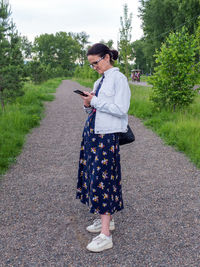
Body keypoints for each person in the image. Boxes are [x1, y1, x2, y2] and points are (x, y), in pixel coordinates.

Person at [76, 43, 131, 252]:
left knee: (103, 179)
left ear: (107, 57)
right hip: (92, 135)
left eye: (95, 63)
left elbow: (121, 108)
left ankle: (106, 235)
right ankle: (105, 219)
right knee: (93, 177)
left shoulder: (119, 79)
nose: (94, 67)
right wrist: (87, 104)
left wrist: (96, 101)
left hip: (106, 137)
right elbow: (95, 111)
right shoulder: (99, 81)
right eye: (91, 65)